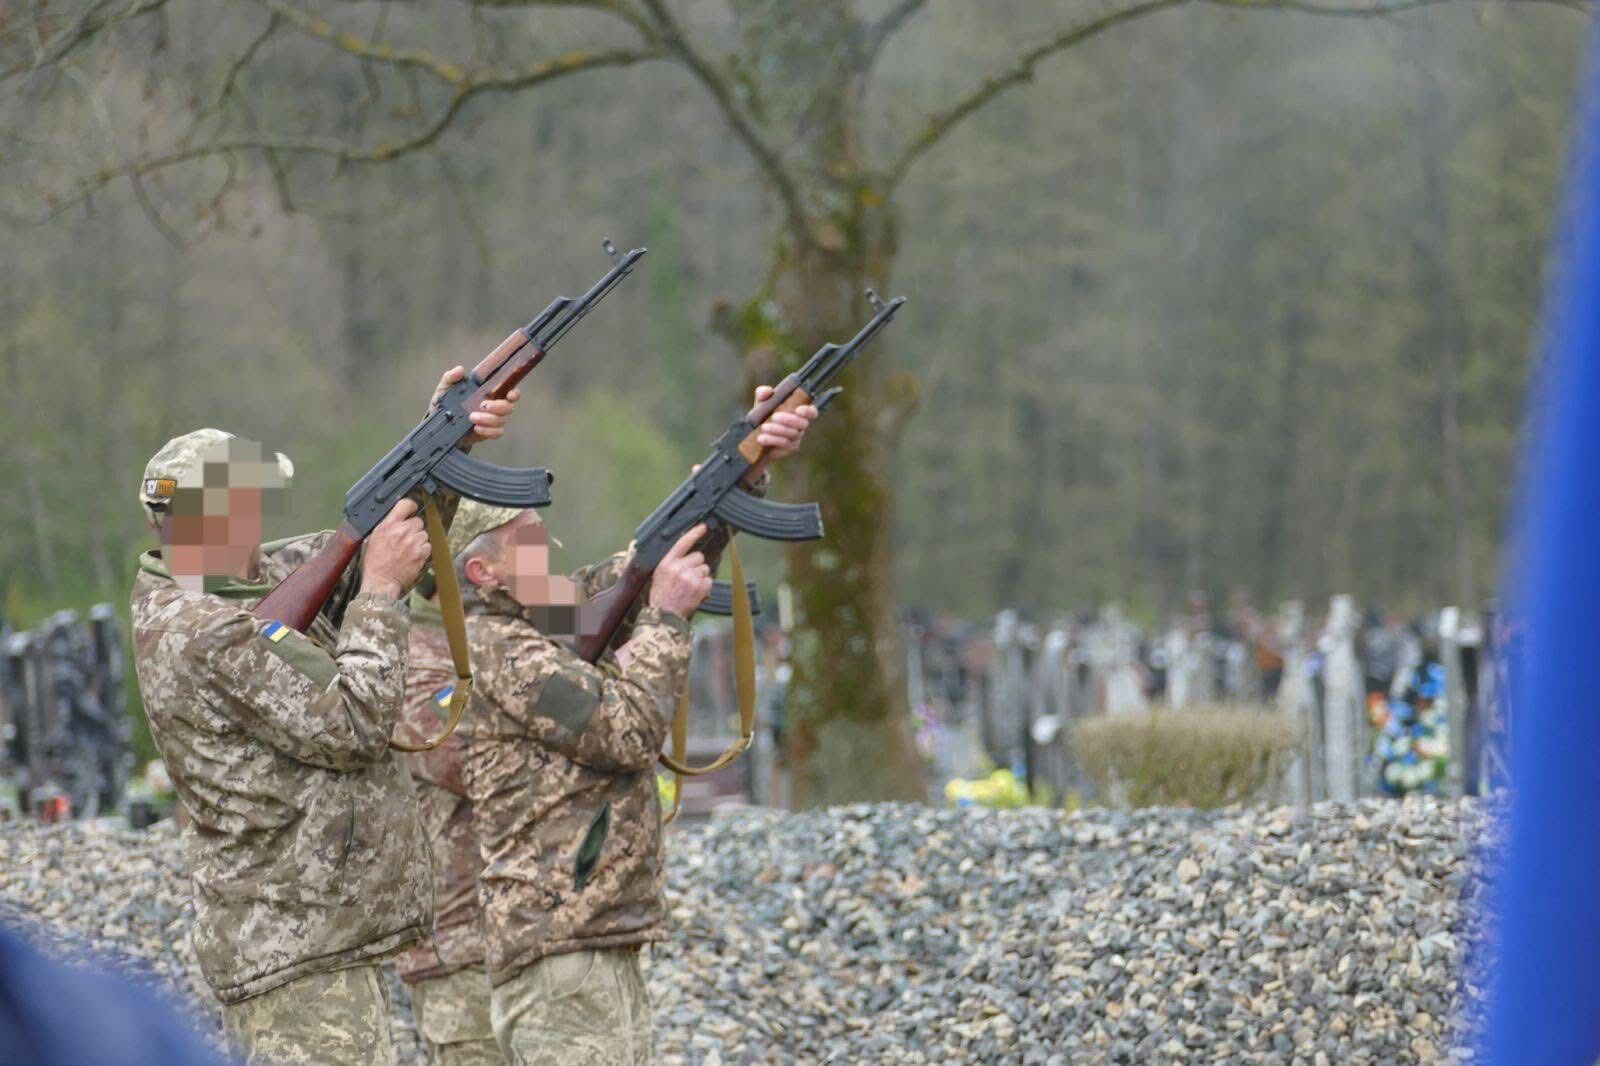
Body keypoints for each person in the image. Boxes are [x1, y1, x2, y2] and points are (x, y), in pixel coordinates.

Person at [130, 368, 519, 1066]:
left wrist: (444, 446)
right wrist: (380, 594)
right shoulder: (200, 630)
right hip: (295, 955)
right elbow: (355, 726)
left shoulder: (235, 582)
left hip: (314, 942)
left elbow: (367, 540)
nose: (258, 519)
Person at [454, 387, 814, 1065]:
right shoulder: (499, 648)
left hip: (587, 938)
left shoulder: (545, 621)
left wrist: (744, 464)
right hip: (560, 951)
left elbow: (648, 559)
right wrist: (669, 620)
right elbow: (625, 732)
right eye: (528, 544)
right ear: (483, 572)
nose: (551, 554)